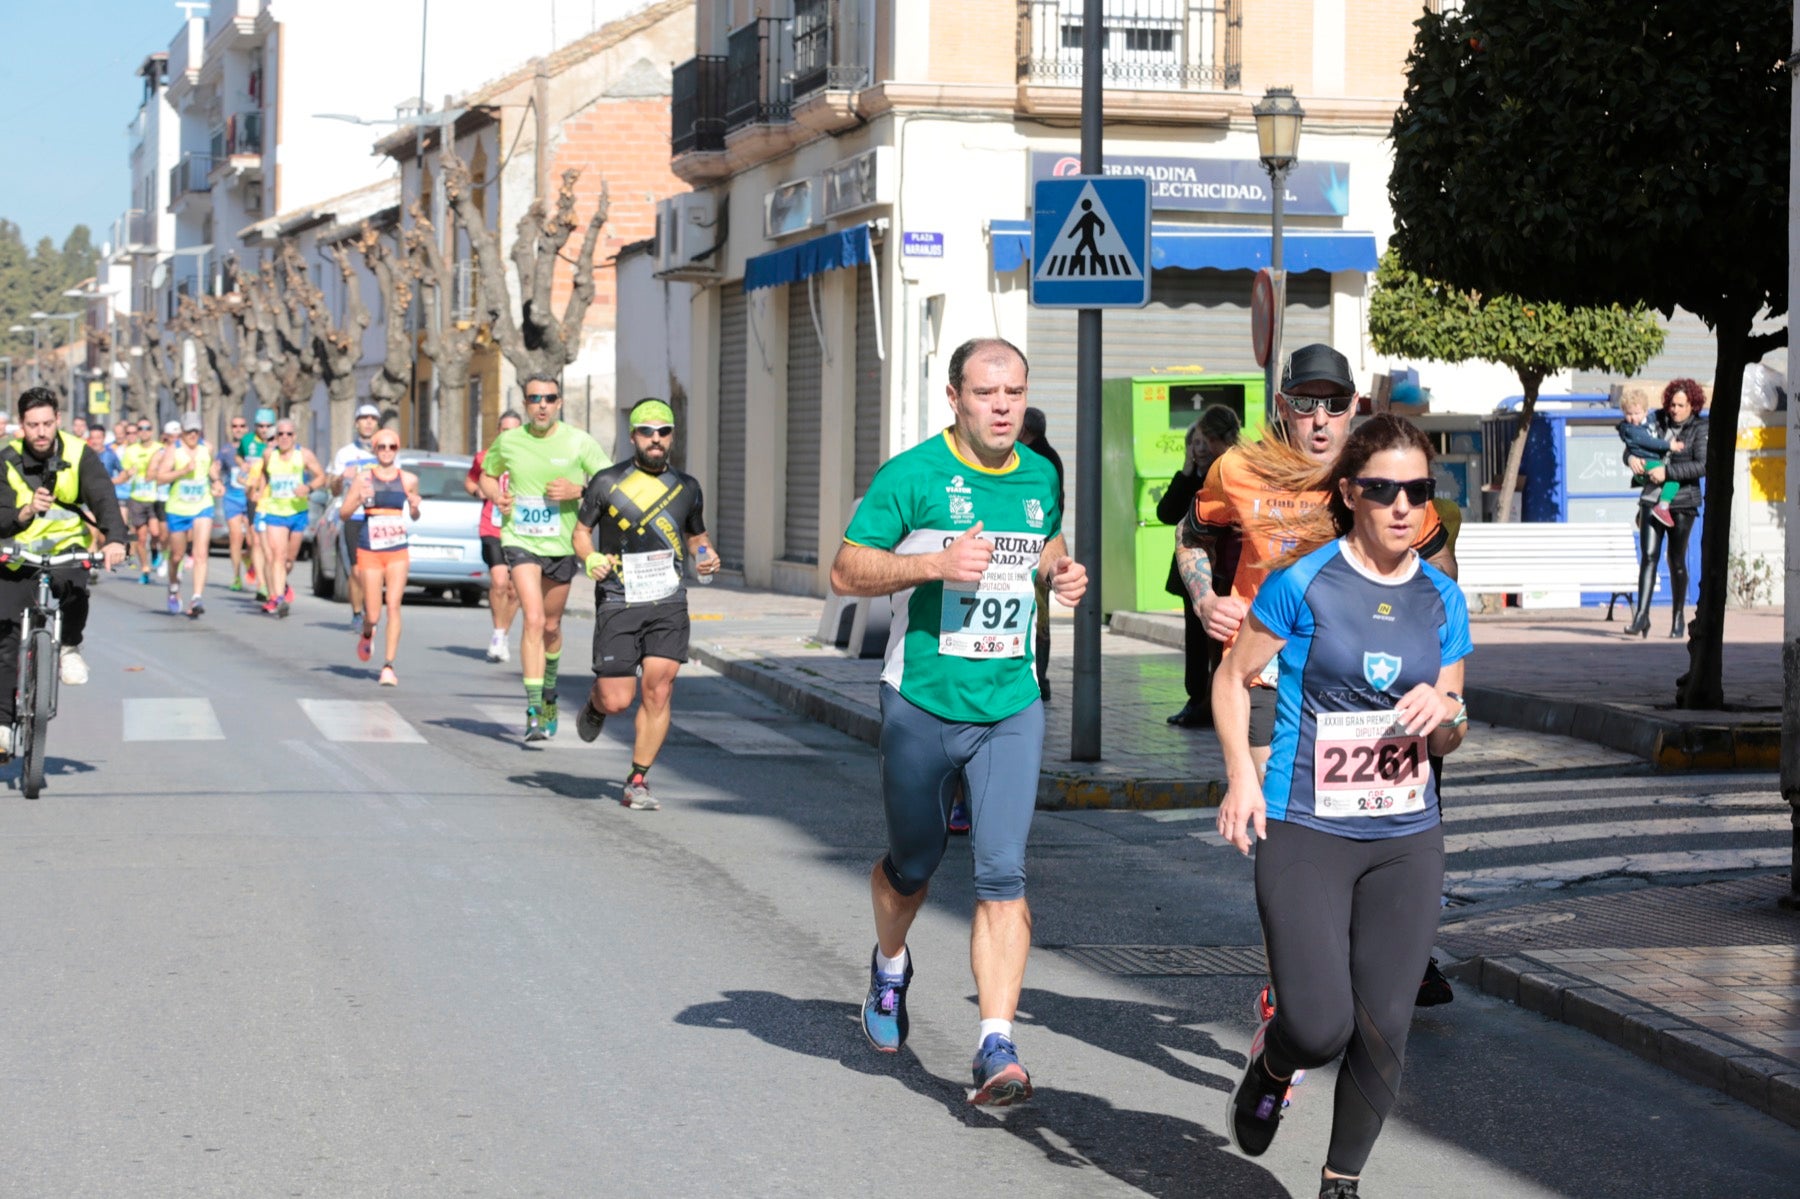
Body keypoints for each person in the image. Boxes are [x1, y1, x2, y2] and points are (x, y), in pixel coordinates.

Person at [1212, 414, 1471, 1199]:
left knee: (1385, 1022)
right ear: (1353, 493)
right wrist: (1239, 777)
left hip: (1404, 834)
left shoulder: (1444, 600)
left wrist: (1444, 715)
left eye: (1418, 490)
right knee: (1320, 1022)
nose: (1402, 506)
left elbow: (1457, 724)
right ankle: (1275, 1059)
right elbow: (1232, 679)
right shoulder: (1304, 582)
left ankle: (1340, 1182)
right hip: (1308, 825)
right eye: (1385, 489)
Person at [828, 337, 1086, 1106]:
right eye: (985, 392)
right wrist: (932, 564)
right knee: (913, 862)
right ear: (955, 397)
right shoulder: (912, 476)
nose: (1002, 405)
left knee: (1002, 871)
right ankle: (890, 962)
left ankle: (995, 1042)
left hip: (1011, 701)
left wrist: (1058, 571)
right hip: (922, 700)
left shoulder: (1041, 474)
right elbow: (845, 570)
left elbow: (1045, 542)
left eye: (1013, 391)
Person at [1176, 344, 1454, 776]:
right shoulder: (1239, 468)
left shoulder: (1384, 474)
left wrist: (1425, 639)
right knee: (1277, 818)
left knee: (1365, 816)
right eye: (1305, 403)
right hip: (1267, 670)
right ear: (1282, 406)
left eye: (1335, 403)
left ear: (1352, 405)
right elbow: (1190, 534)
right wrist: (1205, 600)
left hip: (1364, 675)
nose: (1320, 419)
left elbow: (1441, 567)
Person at [570, 399, 719, 809]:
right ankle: (596, 705)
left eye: (664, 431)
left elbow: (695, 537)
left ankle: (638, 779)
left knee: (659, 687)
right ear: (633, 436)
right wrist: (591, 558)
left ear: (672, 436)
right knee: (618, 698)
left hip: (668, 598)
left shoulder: (687, 487)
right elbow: (581, 533)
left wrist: (705, 553)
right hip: (619, 597)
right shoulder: (606, 482)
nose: (656, 439)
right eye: (647, 431)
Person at [479, 373, 611, 742]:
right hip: (520, 539)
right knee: (533, 619)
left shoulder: (578, 442)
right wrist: (496, 495)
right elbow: (487, 476)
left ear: (559, 403)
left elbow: (609, 484)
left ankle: (550, 690)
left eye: (549, 398)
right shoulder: (509, 441)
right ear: (525, 404)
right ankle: (535, 709)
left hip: (563, 546)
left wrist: (578, 489)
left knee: (551, 627)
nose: (542, 405)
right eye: (534, 398)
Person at [0, 388, 128, 729]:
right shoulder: (7, 458)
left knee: (76, 591)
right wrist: (25, 511)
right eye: (32, 425)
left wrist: (115, 540)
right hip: (18, 556)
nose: (40, 432)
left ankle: (70, 647)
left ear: (58, 420)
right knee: (7, 639)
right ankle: (2, 723)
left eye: (46, 423)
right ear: (21, 427)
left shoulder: (78, 452)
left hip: (66, 550)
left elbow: (103, 497)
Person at [1158, 404, 1241, 728]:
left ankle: (1213, 702)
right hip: (1193, 574)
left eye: (1203, 441)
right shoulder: (1193, 477)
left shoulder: (1228, 472)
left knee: (1220, 642)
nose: (1200, 448)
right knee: (1196, 639)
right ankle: (1197, 699)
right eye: (1194, 443)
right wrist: (1187, 469)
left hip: (1225, 572)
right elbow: (1166, 513)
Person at [1622, 378, 1708, 639]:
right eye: (1672, 404)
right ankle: (1641, 617)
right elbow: (1632, 443)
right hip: (1651, 497)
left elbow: (1702, 465)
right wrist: (1631, 458)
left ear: (1692, 405)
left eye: (1680, 405)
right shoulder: (1656, 420)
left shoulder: (1701, 428)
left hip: (1682, 501)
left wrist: (1667, 471)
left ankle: (1679, 616)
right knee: (1648, 556)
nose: (1674, 409)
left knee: (1676, 559)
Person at [342, 430, 421, 686]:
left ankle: (388, 665)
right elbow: (344, 513)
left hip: (397, 549)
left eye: (392, 446)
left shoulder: (408, 479)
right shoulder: (364, 478)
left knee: (394, 605)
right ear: (375, 450)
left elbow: (415, 514)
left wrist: (416, 507)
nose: (387, 451)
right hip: (370, 549)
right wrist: (358, 500)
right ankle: (367, 632)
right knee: (374, 614)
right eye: (382, 447)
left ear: (397, 449)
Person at [247, 418, 325, 618]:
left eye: (288, 434)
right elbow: (265, 475)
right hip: (274, 512)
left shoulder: (304, 455)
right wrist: (259, 493)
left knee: (289, 559)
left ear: (294, 436)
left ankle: (280, 584)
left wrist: (308, 487)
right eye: (280, 434)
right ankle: (278, 597)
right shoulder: (268, 455)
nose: (283, 437)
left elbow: (321, 476)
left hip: (297, 513)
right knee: (277, 556)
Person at [466, 409, 524, 662]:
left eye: (514, 430)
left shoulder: (530, 458)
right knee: (499, 581)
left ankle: (504, 634)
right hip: (493, 527)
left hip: (523, 529)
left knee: (515, 590)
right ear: (498, 432)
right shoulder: (485, 457)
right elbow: (470, 481)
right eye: (504, 430)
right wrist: (479, 490)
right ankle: (498, 634)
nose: (509, 434)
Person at [1016, 406, 1065, 704]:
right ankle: (1039, 677)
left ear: (1026, 431)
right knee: (1039, 617)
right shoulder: (1052, 456)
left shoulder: (1038, 461)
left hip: (1037, 550)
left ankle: (1038, 677)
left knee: (1038, 619)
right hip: (1041, 547)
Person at [152, 412, 221, 617]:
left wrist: (217, 483)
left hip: (202, 505)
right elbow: (160, 478)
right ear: (182, 431)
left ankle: (197, 597)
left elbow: (211, 470)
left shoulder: (206, 448)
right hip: (178, 508)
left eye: (196, 430)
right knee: (177, 556)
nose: (192, 434)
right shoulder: (174, 450)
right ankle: (173, 587)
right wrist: (182, 471)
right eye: (189, 430)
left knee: (201, 553)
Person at [329, 403, 383, 622]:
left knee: (376, 570)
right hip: (354, 515)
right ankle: (357, 612)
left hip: (379, 516)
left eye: (373, 418)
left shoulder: (386, 451)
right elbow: (332, 489)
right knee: (357, 569)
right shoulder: (345, 453)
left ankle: (372, 611)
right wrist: (341, 478)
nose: (368, 422)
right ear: (356, 423)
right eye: (364, 418)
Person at [1615, 391, 1683, 529]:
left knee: (1668, 479)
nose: (1633, 418)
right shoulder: (1631, 429)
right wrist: (1670, 446)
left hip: (1653, 464)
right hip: (1646, 465)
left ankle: (1648, 512)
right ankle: (1663, 506)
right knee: (1673, 480)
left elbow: (1657, 413)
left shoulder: (1650, 420)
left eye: (1636, 413)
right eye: (1629, 414)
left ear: (1645, 411)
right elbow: (1649, 442)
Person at [115, 418, 160, 584]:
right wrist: (127, 474)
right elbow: (124, 473)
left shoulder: (159, 449)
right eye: (140, 428)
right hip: (137, 498)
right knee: (140, 538)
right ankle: (145, 568)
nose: (144, 431)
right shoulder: (131, 451)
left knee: (156, 532)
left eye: (147, 428)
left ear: (152, 430)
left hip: (154, 498)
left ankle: (155, 549)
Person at [214, 414, 253, 590]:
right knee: (236, 537)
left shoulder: (253, 449)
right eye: (235, 426)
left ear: (246, 428)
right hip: (232, 498)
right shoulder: (225, 450)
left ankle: (248, 557)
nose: (238, 429)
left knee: (253, 540)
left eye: (241, 426)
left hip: (251, 497)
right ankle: (237, 576)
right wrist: (217, 481)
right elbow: (214, 468)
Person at [239, 408, 275, 599]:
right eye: (261, 426)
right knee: (256, 541)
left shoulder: (282, 445)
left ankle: (275, 579)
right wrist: (247, 481)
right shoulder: (248, 441)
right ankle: (262, 583)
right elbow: (242, 470)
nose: (264, 430)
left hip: (279, 503)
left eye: (268, 427)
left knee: (274, 547)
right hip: (256, 500)